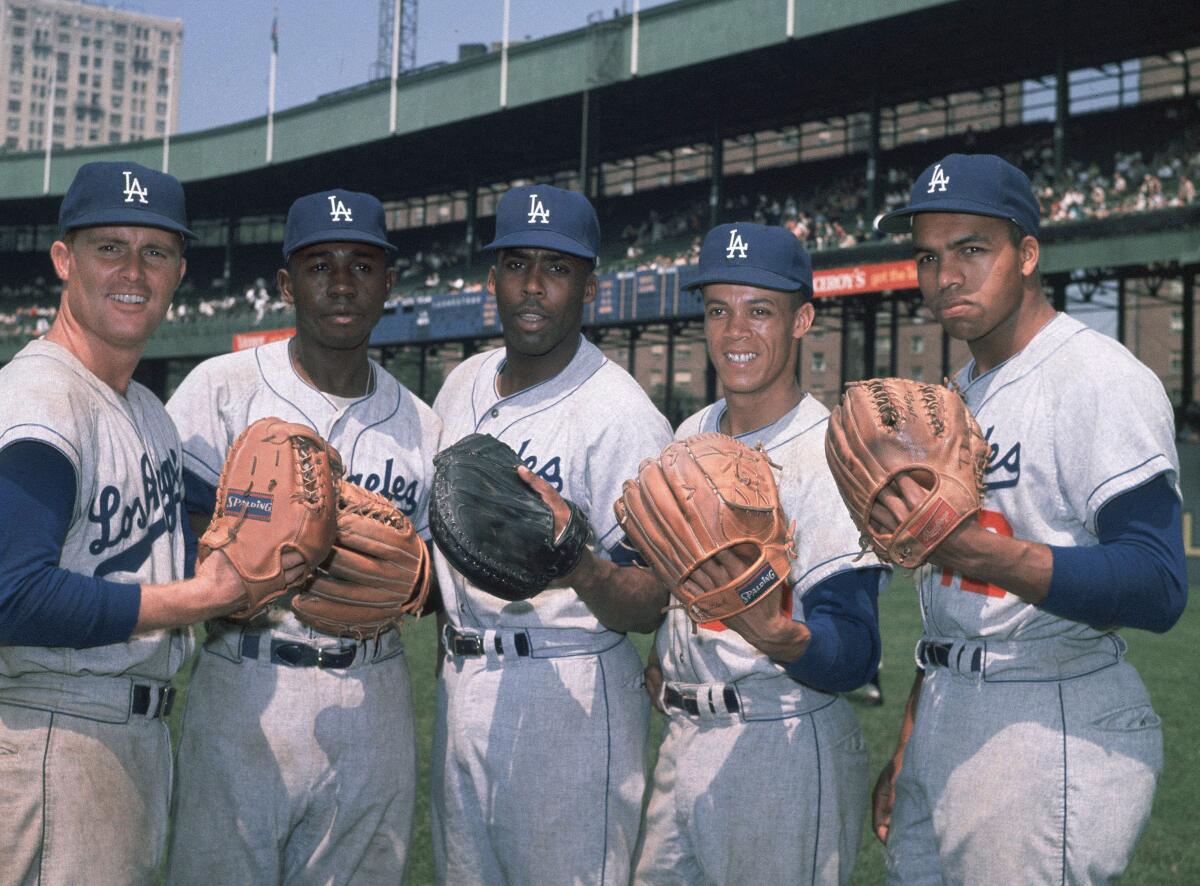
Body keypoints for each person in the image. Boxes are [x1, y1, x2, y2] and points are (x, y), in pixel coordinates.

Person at [871, 153, 1187, 884]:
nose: (945, 274)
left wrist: (976, 552)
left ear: (1029, 254)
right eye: (929, 255)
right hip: (950, 706)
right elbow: (953, 610)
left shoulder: (1096, 377)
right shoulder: (954, 397)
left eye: (972, 249)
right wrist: (912, 740)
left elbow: (1158, 580)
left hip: (1047, 713)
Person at [164, 189, 442, 884]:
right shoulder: (219, 389)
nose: (342, 283)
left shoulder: (422, 425)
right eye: (320, 265)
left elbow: (436, 586)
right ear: (287, 284)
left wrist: (416, 582)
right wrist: (248, 557)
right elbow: (168, 538)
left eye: (362, 264)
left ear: (389, 282)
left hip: (372, 695)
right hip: (243, 689)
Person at [0, 161, 256, 884]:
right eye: (109, 247)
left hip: (129, 740)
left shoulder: (146, 413)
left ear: (179, 270)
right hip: (53, 732)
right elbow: (11, 595)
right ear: (63, 259)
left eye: (155, 251)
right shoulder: (42, 397)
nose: (133, 271)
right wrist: (202, 599)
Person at [430, 184, 674, 885]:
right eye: (516, 264)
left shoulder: (622, 414)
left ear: (590, 287)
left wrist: (583, 569)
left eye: (557, 268)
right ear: (493, 278)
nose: (533, 286)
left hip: (568, 686)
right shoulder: (463, 383)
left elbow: (652, 600)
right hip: (461, 679)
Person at [632, 223, 888, 884]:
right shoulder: (691, 432)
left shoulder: (832, 448)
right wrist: (668, 649)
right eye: (719, 310)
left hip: (782, 741)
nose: (735, 331)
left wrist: (779, 635)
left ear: (803, 319)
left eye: (760, 310)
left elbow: (856, 648)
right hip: (685, 740)